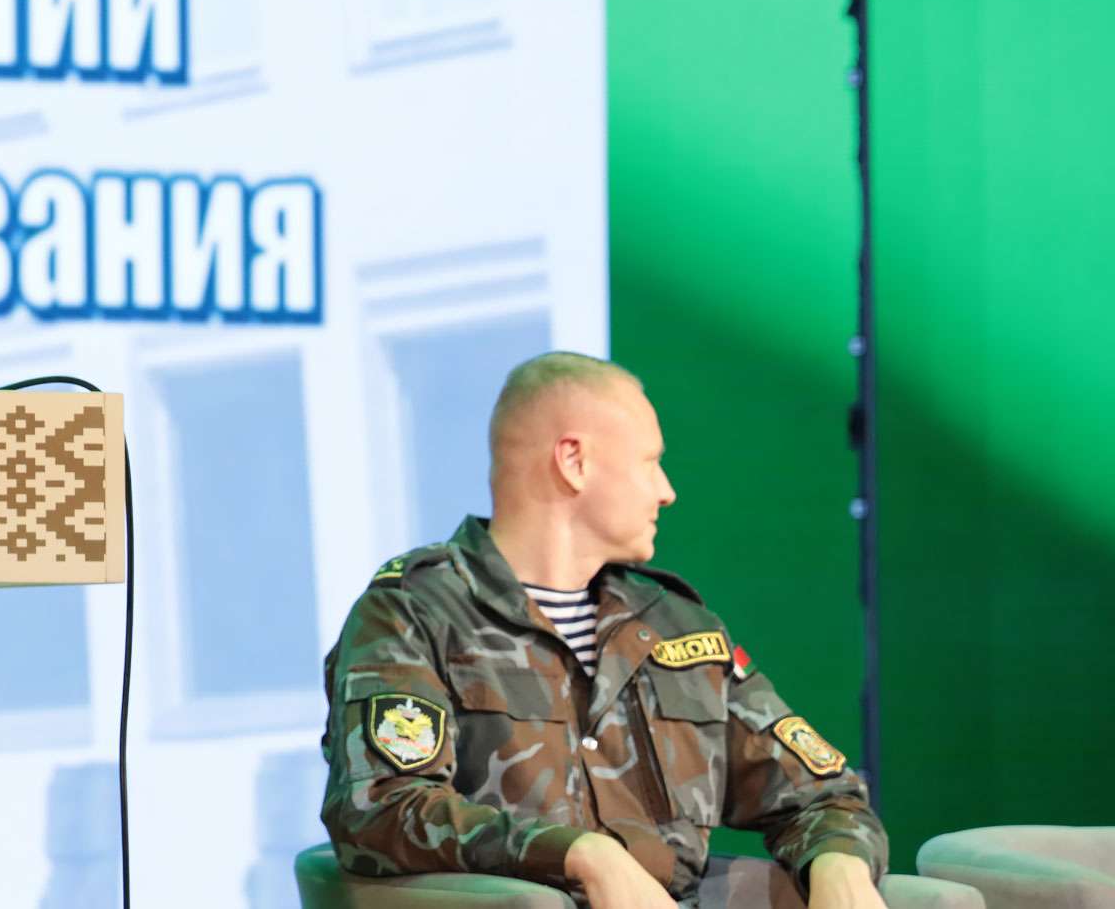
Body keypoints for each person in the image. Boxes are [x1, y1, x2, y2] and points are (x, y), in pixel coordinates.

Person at [320, 354, 950, 909]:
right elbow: (380, 806)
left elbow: (823, 793)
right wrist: (583, 855)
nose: (667, 491)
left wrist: (839, 870)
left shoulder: (677, 626)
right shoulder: (413, 612)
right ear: (573, 461)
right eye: (650, 463)